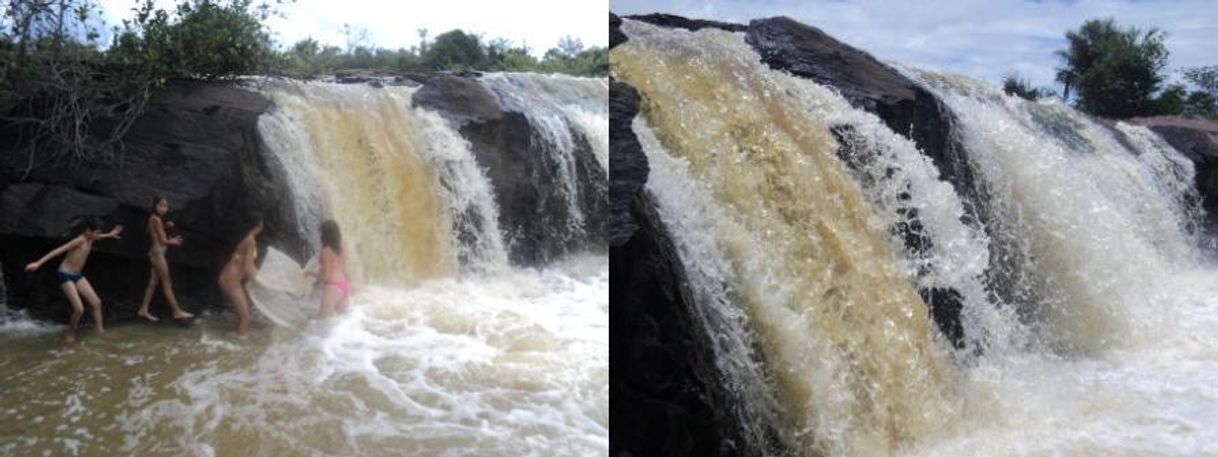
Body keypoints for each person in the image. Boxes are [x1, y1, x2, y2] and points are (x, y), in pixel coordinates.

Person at [24, 218, 123, 343]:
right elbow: (57, 251)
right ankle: (70, 334)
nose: (97, 235)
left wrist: (110, 234)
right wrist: (38, 263)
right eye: (95, 233)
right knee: (79, 309)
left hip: (77, 275)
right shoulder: (79, 240)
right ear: (88, 231)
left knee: (96, 302)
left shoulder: (91, 238)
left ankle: (100, 331)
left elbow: (99, 237)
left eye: (98, 233)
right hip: (65, 274)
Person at [137, 196, 194, 322]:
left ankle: (143, 309)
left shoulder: (153, 218)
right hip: (158, 254)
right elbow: (163, 240)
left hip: (154, 253)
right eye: (161, 205)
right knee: (167, 283)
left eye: (166, 206)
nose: (164, 208)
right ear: (155, 205)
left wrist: (164, 227)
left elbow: (149, 231)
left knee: (152, 284)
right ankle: (176, 312)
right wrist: (173, 241)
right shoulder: (156, 219)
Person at [218, 216, 262, 335]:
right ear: (259, 225)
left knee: (243, 314)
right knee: (246, 318)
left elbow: (245, 264)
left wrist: (259, 277)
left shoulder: (245, 238)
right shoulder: (251, 241)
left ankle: (235, 339)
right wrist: (262, 282)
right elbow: (248, 267)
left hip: (225, 278)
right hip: (231, 281)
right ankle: (238, 348)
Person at [307, 220, 350, 317]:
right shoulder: (343, 246)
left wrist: (310, 272)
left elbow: (327, 277)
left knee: (324, 325)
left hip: (333, 288)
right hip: (344, 286)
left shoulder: (326, 251)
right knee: (342, 324)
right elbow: (342, 268)